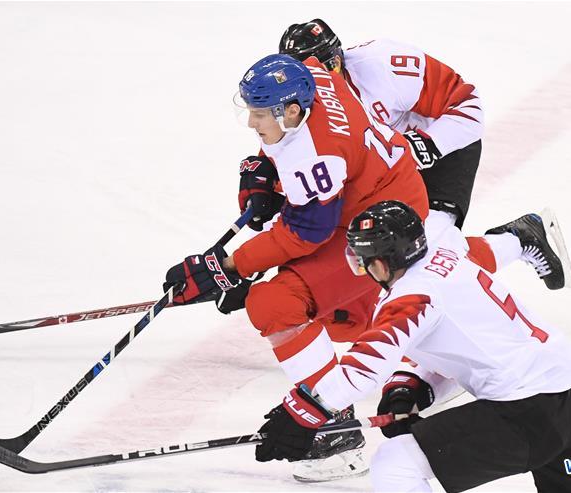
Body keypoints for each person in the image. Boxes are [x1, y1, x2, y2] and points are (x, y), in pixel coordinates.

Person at [164, 52, 428, 480]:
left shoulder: (315, 157)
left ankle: (334, 428)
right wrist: (263, 171)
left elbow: (306, 233)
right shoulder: (311, 75)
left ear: (291, 110)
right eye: (248, 109)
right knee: (342, 319)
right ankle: (512, 245)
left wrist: (229, 266)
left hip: (372, 221)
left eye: (259, 113)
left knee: (275, 303)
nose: (252, 122)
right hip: (368, 193)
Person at [254, 200, 571, 493]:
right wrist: (411, 390)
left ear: (379, 263)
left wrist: (305, 409)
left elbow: (367, 364)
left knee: (395, 464)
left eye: (360, 260)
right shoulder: (450, 258)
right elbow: (467, 345)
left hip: (525, 414)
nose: (359, 268)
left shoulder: (413, 296)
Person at [278, 19, 571, 290]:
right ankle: (519, 238)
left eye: (328, 66)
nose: (322, 82)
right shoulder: (293, 105)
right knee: (376, 259)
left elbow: (468, 107)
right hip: (385, 173)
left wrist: (423, 146)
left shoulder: (383, 64)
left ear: (339, 58)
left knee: (423, 256)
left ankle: (517, 241)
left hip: (441, 151)